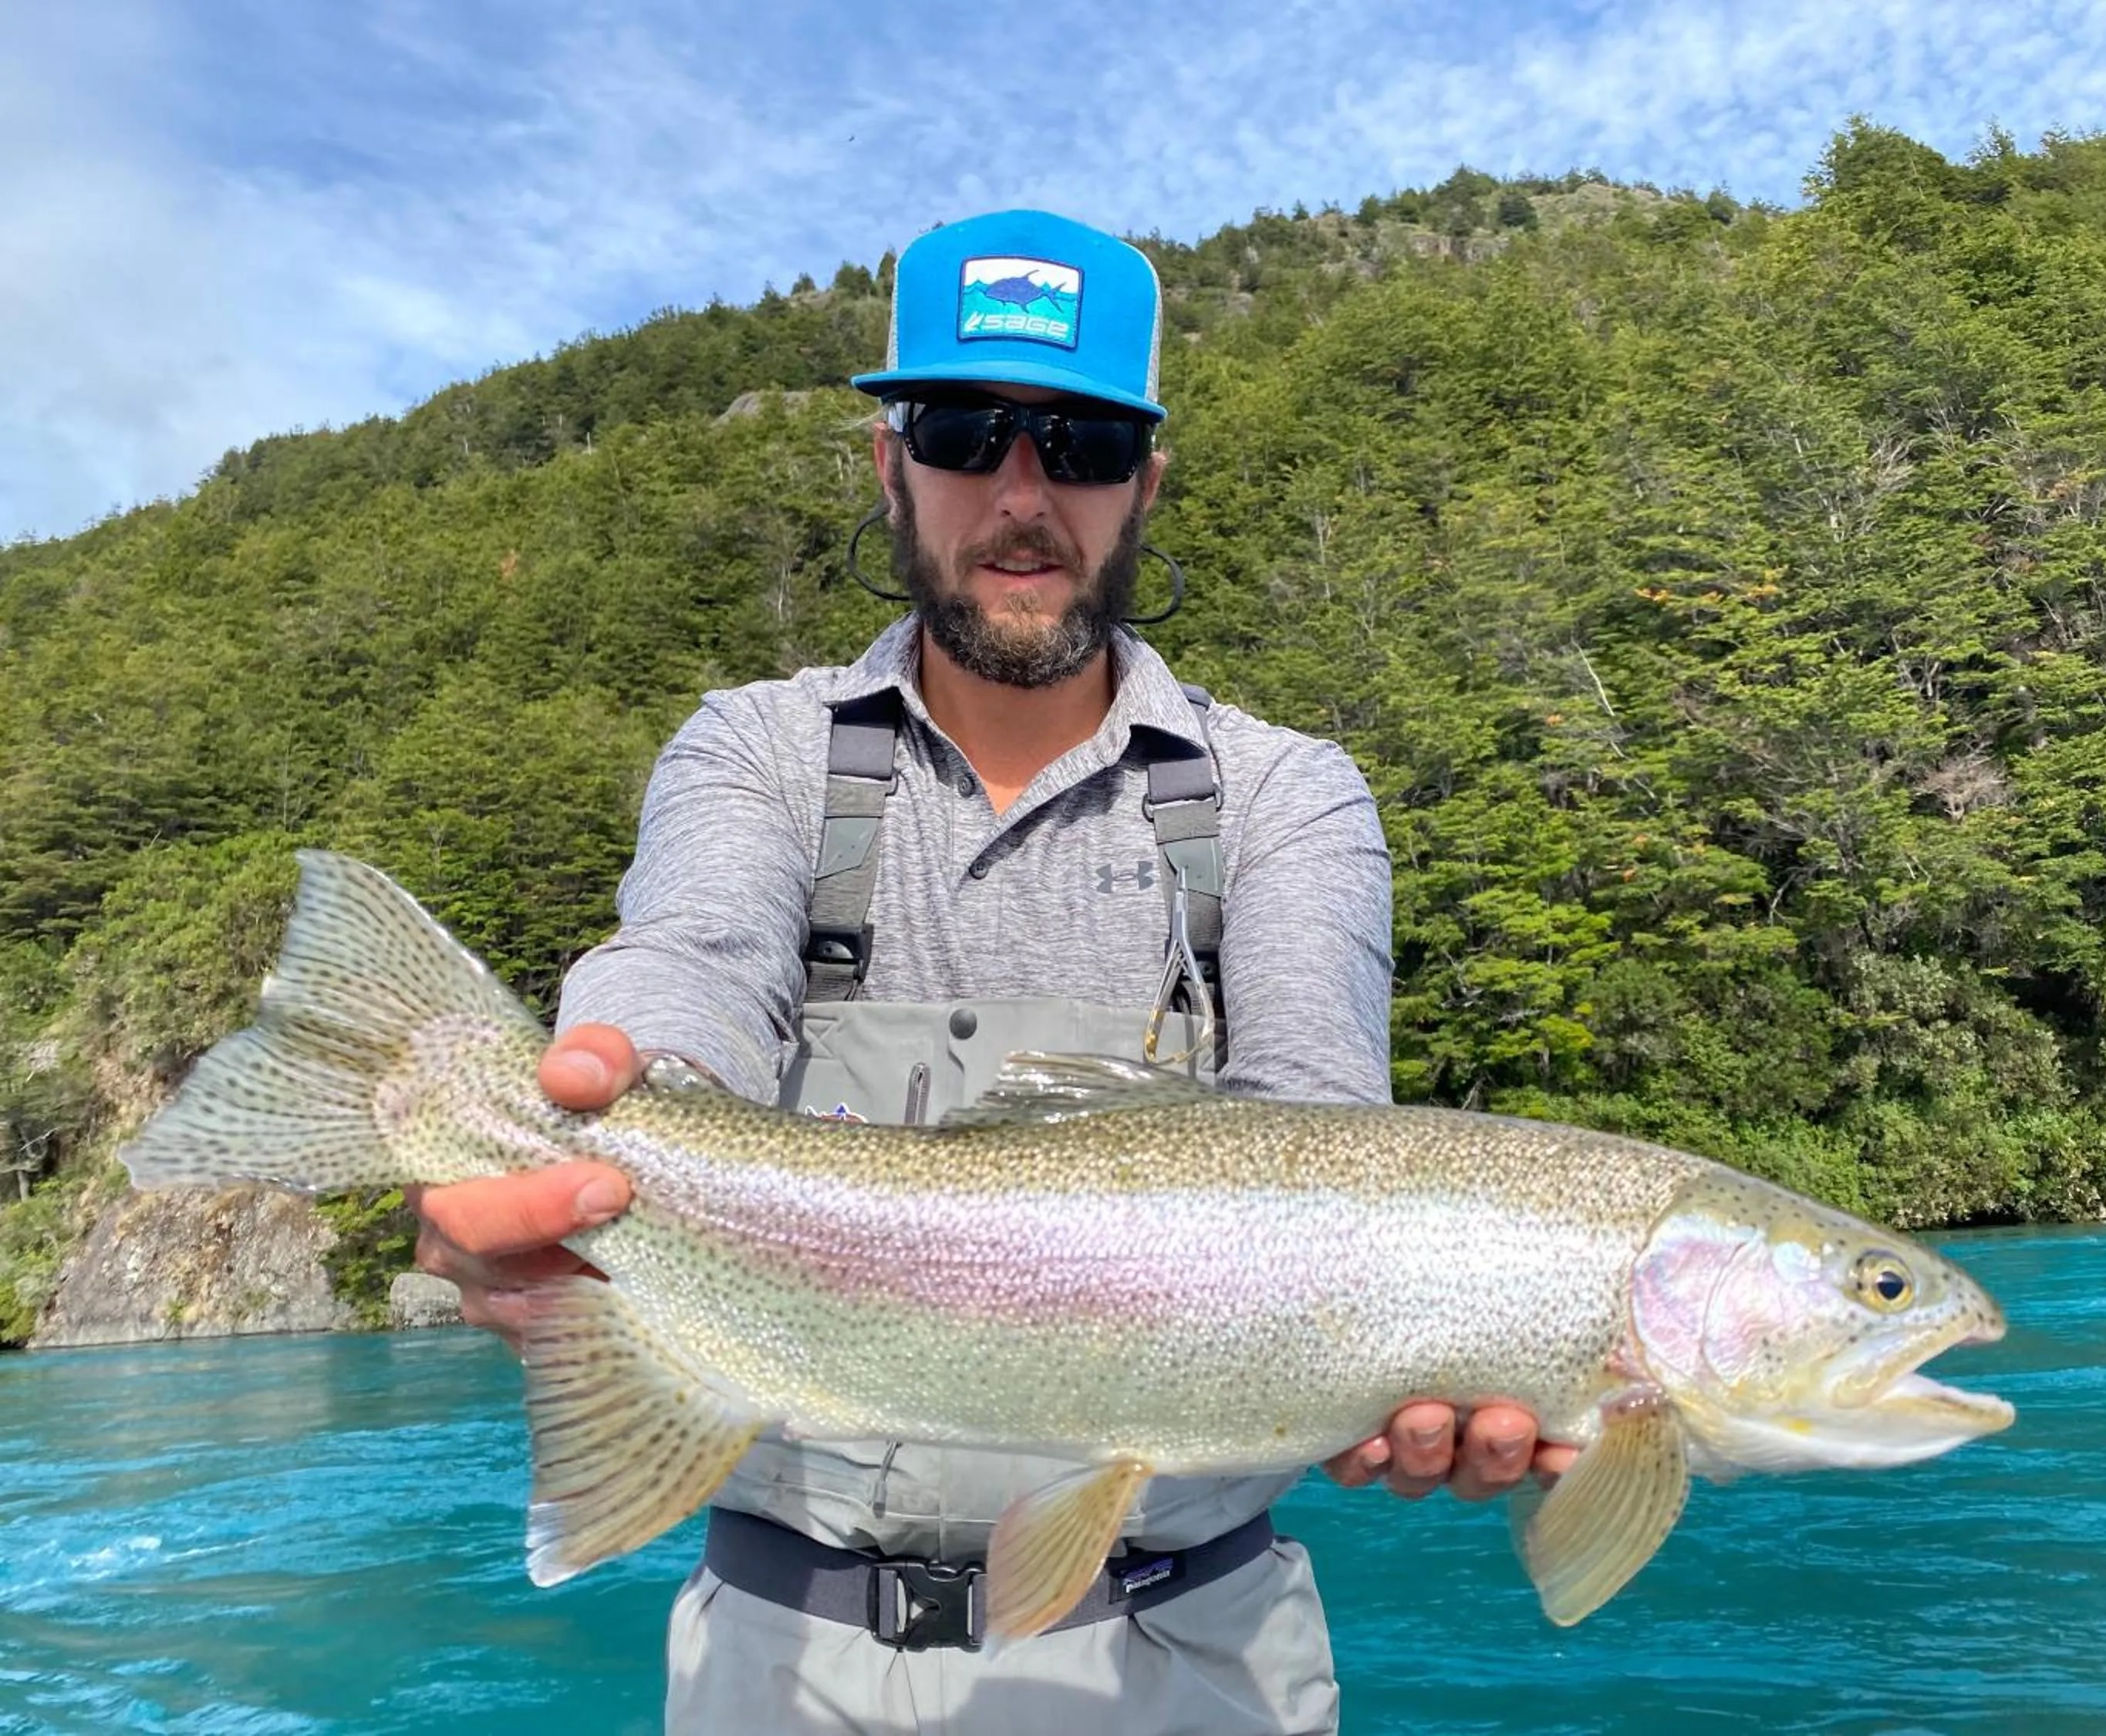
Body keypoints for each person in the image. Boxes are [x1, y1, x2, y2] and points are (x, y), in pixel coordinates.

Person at [412, 208, 1572, 1735]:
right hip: (783, 1663)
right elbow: (684, 977)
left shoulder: (1290, 796)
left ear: (1146, 481)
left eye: (1083, 445)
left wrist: (1411, 1361)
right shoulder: (753, 749)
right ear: (890, 464)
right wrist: (583, 1116)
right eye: (965, 433)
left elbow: (1323, 1147)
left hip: (1186, 1658)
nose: (1023, 495)